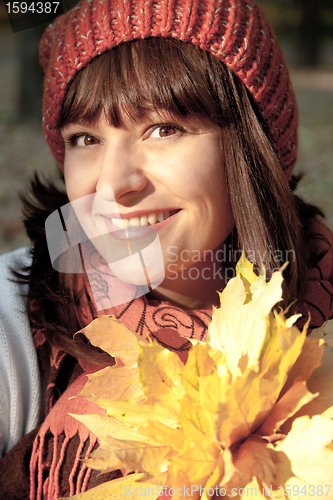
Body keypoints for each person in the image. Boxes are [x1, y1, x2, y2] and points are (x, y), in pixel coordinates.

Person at [0, 0, 332, 497]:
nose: (113, 184)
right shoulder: (14, 322)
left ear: (249, 146)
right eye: (86, 138)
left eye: (163, 129)